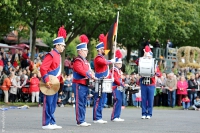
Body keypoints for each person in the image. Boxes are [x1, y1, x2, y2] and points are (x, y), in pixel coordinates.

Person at [40, 36, 66, 130]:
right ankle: (46, 123)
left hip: (55, 83)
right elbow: (43, 68)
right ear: (57, 45)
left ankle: (51, 121)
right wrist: (46, 81)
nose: (63, 47)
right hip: (49, 83)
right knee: (48, 103)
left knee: (53, 103)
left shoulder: (58, 55)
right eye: (62, 45)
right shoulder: (51, 54)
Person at [72, 34, 95, 127]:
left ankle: (82, 119)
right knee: (80, 103)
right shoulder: (78, 60)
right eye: (85, 50)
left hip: (84, 84)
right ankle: (80, 120)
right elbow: (81, 70)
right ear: (80, 51)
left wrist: (92, 74)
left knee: (83, 102)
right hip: (79, 84)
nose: (87, 51)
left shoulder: (85, 61)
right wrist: (90, 74)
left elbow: (88, 70)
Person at [93, 34, 115, 124]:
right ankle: (97, 117)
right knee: (98, 99)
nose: (104, 50)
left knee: (102, 100)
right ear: (99, 50)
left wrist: (111, 76)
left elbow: (106, 70)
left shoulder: (102, 57)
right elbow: (103, 63)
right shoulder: (98, 58)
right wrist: (111, 61)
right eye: (102, 49)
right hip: (100, 80)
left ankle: (99, 116)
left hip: (104, 81)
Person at [136, 45, 156, 119]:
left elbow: (158, 73)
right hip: (143, 83)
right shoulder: (142, 60)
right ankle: (144, 113)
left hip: (151, 83)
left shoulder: (153, 62)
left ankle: (149, 114)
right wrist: (143, 56)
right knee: (143, 99)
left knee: (150, 99)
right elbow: (137, 62)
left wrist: (155, 72)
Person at [110, 50, 127, 122]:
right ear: (116, 63)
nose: (120, 65)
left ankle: (117, 115)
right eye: (119, 63)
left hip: (119, 87)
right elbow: (116, 80)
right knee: (117, 100)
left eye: (120, 63)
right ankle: (114, 116)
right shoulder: (114, 70)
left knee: (120, 101)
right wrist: (122, 84)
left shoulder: (118, 70)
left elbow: (120, 78)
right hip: (115, 87)